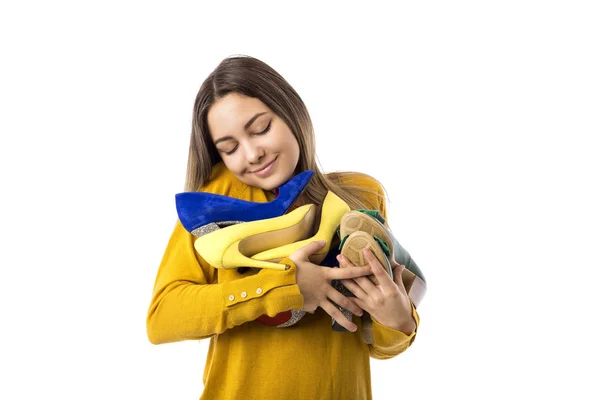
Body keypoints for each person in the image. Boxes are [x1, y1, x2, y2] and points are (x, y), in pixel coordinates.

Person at [146, 55, 420, 400]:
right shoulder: (214, 202)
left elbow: (375, 344)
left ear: (292, 113)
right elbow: (162, 318)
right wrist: (284, 287)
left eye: (261, 129)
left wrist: (398, 321)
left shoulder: (361, 194)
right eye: (229, 148)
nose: (251, 154)